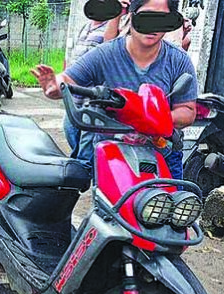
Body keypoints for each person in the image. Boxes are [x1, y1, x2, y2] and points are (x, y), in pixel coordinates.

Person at [32, 0, 197, 179]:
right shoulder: (105, 54)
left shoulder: (179, 61)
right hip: (113, 156)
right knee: (110, 205)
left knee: (173, 205)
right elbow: (66, 80)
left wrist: (152, 119)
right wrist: (54, 87)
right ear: (132, 16)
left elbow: (187, 111)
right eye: (147, 18)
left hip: (164, 153)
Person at [63, 0, 130, 158]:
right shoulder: (85, 27)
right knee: (71, 134)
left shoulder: (114, 27)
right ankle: (78, 171)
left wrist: (118, 11)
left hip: (93, 98)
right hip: (74, 96)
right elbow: (74, 57)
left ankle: (85, 174)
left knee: (87, 148)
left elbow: (110, 44)